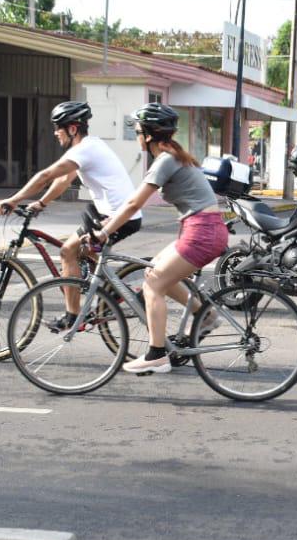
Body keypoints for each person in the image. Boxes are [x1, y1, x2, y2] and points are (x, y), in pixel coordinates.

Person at [88, 102, 228, 376]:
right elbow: (130, 206)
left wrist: (104, 232)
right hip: (202, 228)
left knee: (152, 285)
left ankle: (156, 355)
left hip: (202, 232)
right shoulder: (173, 155)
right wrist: (111, 222)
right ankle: (206, 316)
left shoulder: (165, 160)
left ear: (149, 134)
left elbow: (133, 204)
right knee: (155, 272)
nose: (137, 135)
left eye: (138, 130)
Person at [0, 101, 140, 322]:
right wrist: (41, 203)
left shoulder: (85, 149)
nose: (55, 133)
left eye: (58, 128)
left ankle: (74, 316)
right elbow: (64, 179)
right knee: (81, 251)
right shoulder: (87, 148)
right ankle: (110, 290)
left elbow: (46, 176)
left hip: (119, 217)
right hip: (106, 212)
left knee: (67, 252)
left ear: (72, 129)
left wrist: (14, 199)